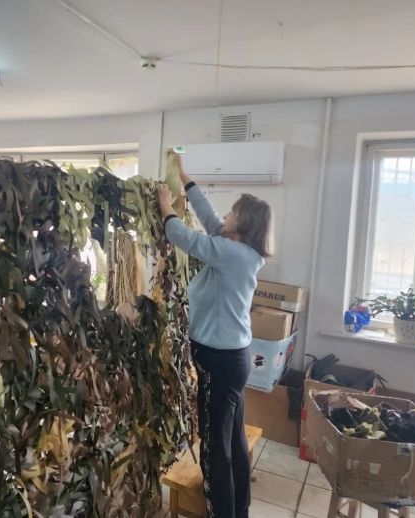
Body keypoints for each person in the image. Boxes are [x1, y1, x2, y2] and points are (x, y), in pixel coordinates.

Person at [157, 156, 273, 518]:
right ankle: (239, 510)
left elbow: (183, 236)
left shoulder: (231, 254)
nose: (226, 215)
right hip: (232, 360)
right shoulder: (240, 251)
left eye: (233, 213)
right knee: (232, 441)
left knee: (214, 448)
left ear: (243, 224)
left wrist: (165, 206)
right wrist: (186, 180)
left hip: (218, 363)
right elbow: (209, 220)